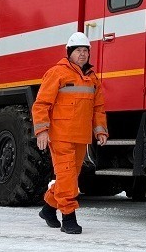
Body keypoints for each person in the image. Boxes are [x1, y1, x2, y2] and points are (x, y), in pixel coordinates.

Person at [32, 32, 108, 234]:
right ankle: (69, 218)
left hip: (81, 137)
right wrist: (41, 130)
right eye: (78, 51)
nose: (82, 55)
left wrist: (100, 131)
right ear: (70, 53)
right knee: (67, 177)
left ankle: (48, 208)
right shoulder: (57, 73)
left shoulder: (92, 78)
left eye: (85, 51)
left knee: (70, 177)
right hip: (60, 135)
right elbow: (41, 104)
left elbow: (98, 108)